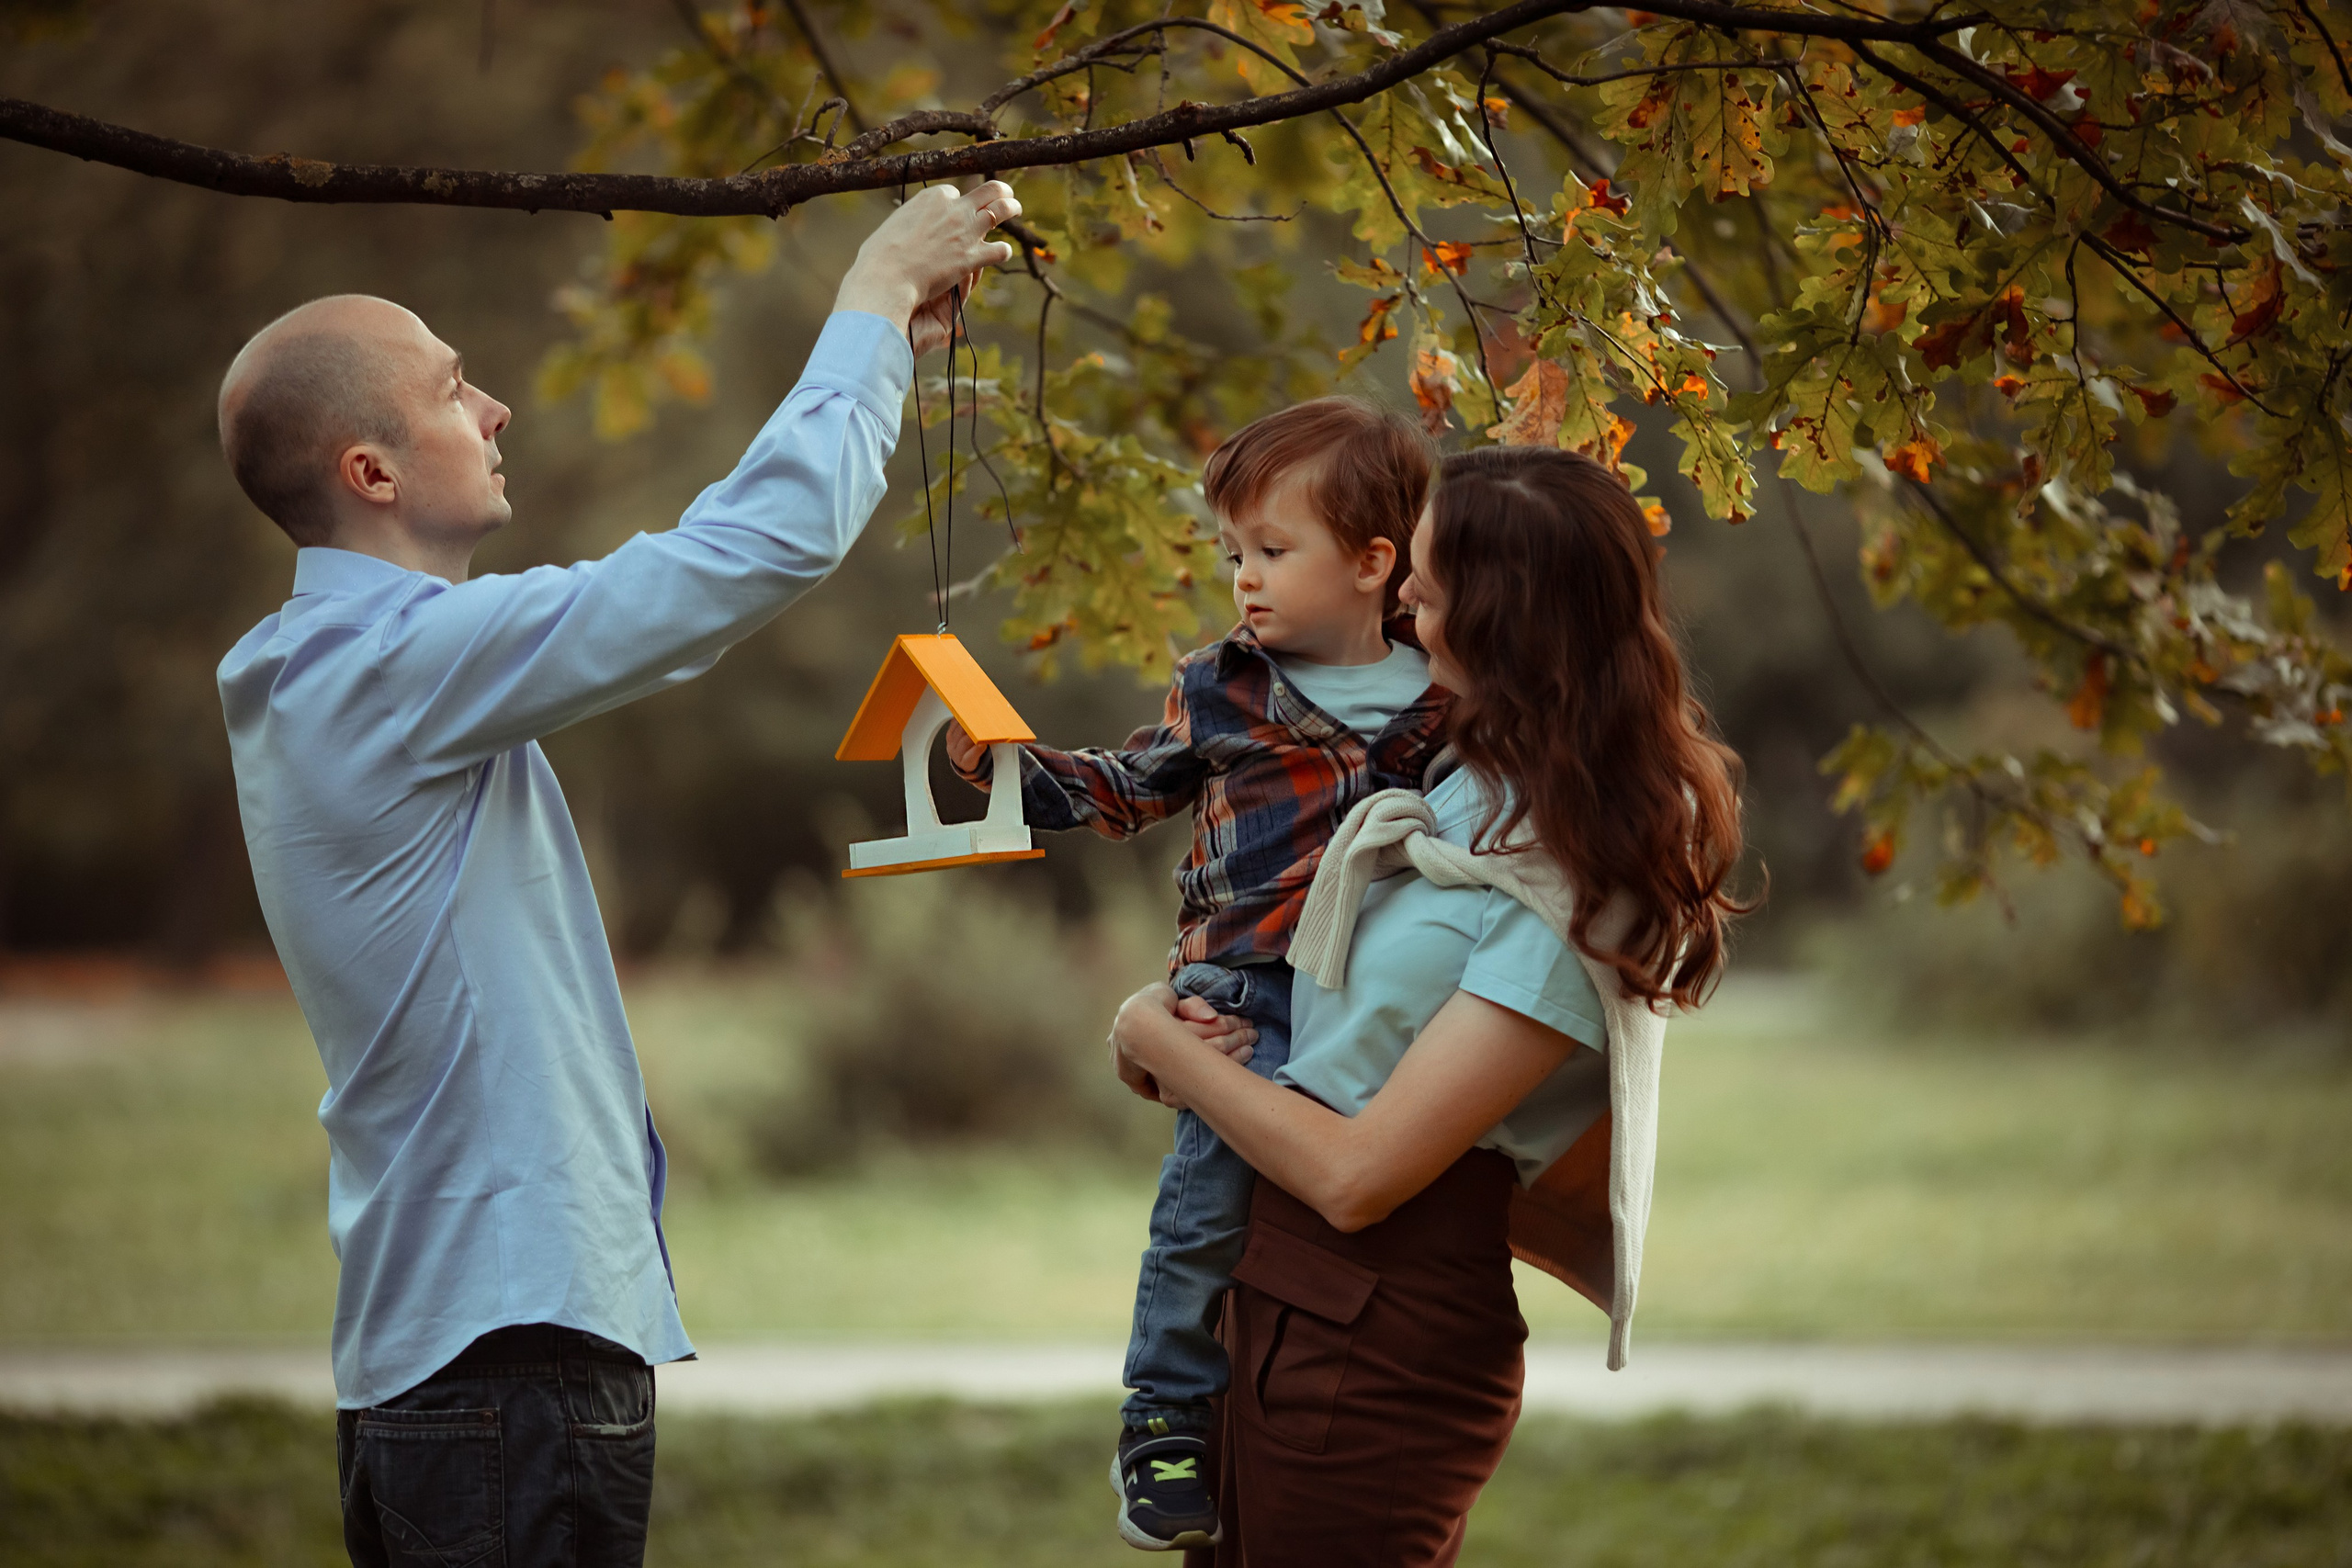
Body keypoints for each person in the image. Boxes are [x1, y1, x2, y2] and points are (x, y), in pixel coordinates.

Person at [212, 179, 1020, 1568]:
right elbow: (742, 557)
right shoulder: (382, 671)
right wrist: (871, 299)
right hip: (503, 1360)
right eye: (457, 388)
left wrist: (887, 347)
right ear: (373, 472)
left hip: (472, 1358)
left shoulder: (341, 676)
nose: (499, 409)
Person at [1108, 445, 1751, 1566]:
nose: (1400, 594)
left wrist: (1154, 1038)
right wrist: (1212, 1037)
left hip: (1374, 1325)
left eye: (1427, 581)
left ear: (1496, 617)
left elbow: (1363, 1178)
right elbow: (1346, 1017)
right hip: (1271, 1290)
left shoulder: (1572, 877)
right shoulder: (1459, 779)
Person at [942, 398, 1452, 1550]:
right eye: (1234, 555)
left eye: (1273, 551)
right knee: (1210, 1204)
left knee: (1354, 1214)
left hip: (1384, 1000)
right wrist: (997, 768)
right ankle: (1163, 1418)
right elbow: (1126, 788)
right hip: (1245, 993)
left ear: (1376, 563)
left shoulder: (1446, 694)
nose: (1245, 580)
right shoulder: (1220, 685)